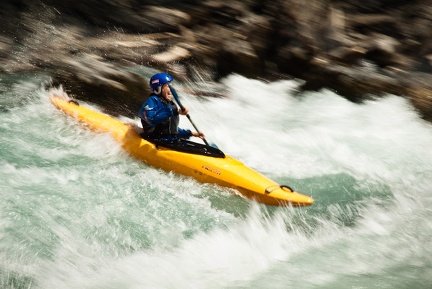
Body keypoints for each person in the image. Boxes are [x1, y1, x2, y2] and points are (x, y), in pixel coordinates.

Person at [138, 72, 204, 140]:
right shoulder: (152, 101)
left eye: (171, 86)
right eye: (167, 86)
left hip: (169, 140)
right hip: (155, 139)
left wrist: (190, 133)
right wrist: (175, 111)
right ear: (158, 89)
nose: (171, 90)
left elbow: (169, 129)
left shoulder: (169, 104)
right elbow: (150, 120)